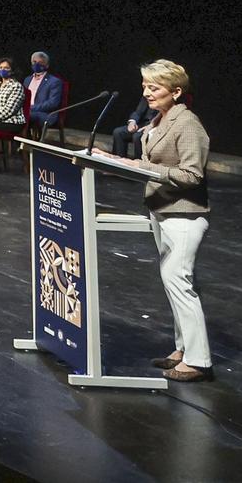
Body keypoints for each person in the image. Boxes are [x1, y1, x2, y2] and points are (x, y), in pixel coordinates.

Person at [95, 60, 211, 382]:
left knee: (178, 279)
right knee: (173, 280)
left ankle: (199, 360)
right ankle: (183, 350)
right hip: (162, 209)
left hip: (184, 213)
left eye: (154, 87)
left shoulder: (187, 124)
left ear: (176, 91)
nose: (146, 93)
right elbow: (146, 163)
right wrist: (111, 159)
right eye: (145, 86)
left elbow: (192, 174)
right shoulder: (160, 121)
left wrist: (149, 171)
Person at [25, 51, 68, 132]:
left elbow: (52, 103)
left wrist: (31, 108)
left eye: (40, 62)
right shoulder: (27, 80)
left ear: (47, 65)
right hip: (28, 110)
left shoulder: (54, 81)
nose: (36, 64)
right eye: (34, 62)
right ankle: (18, 141)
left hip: (46, 114)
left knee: (24, 115)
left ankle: (25, 141)